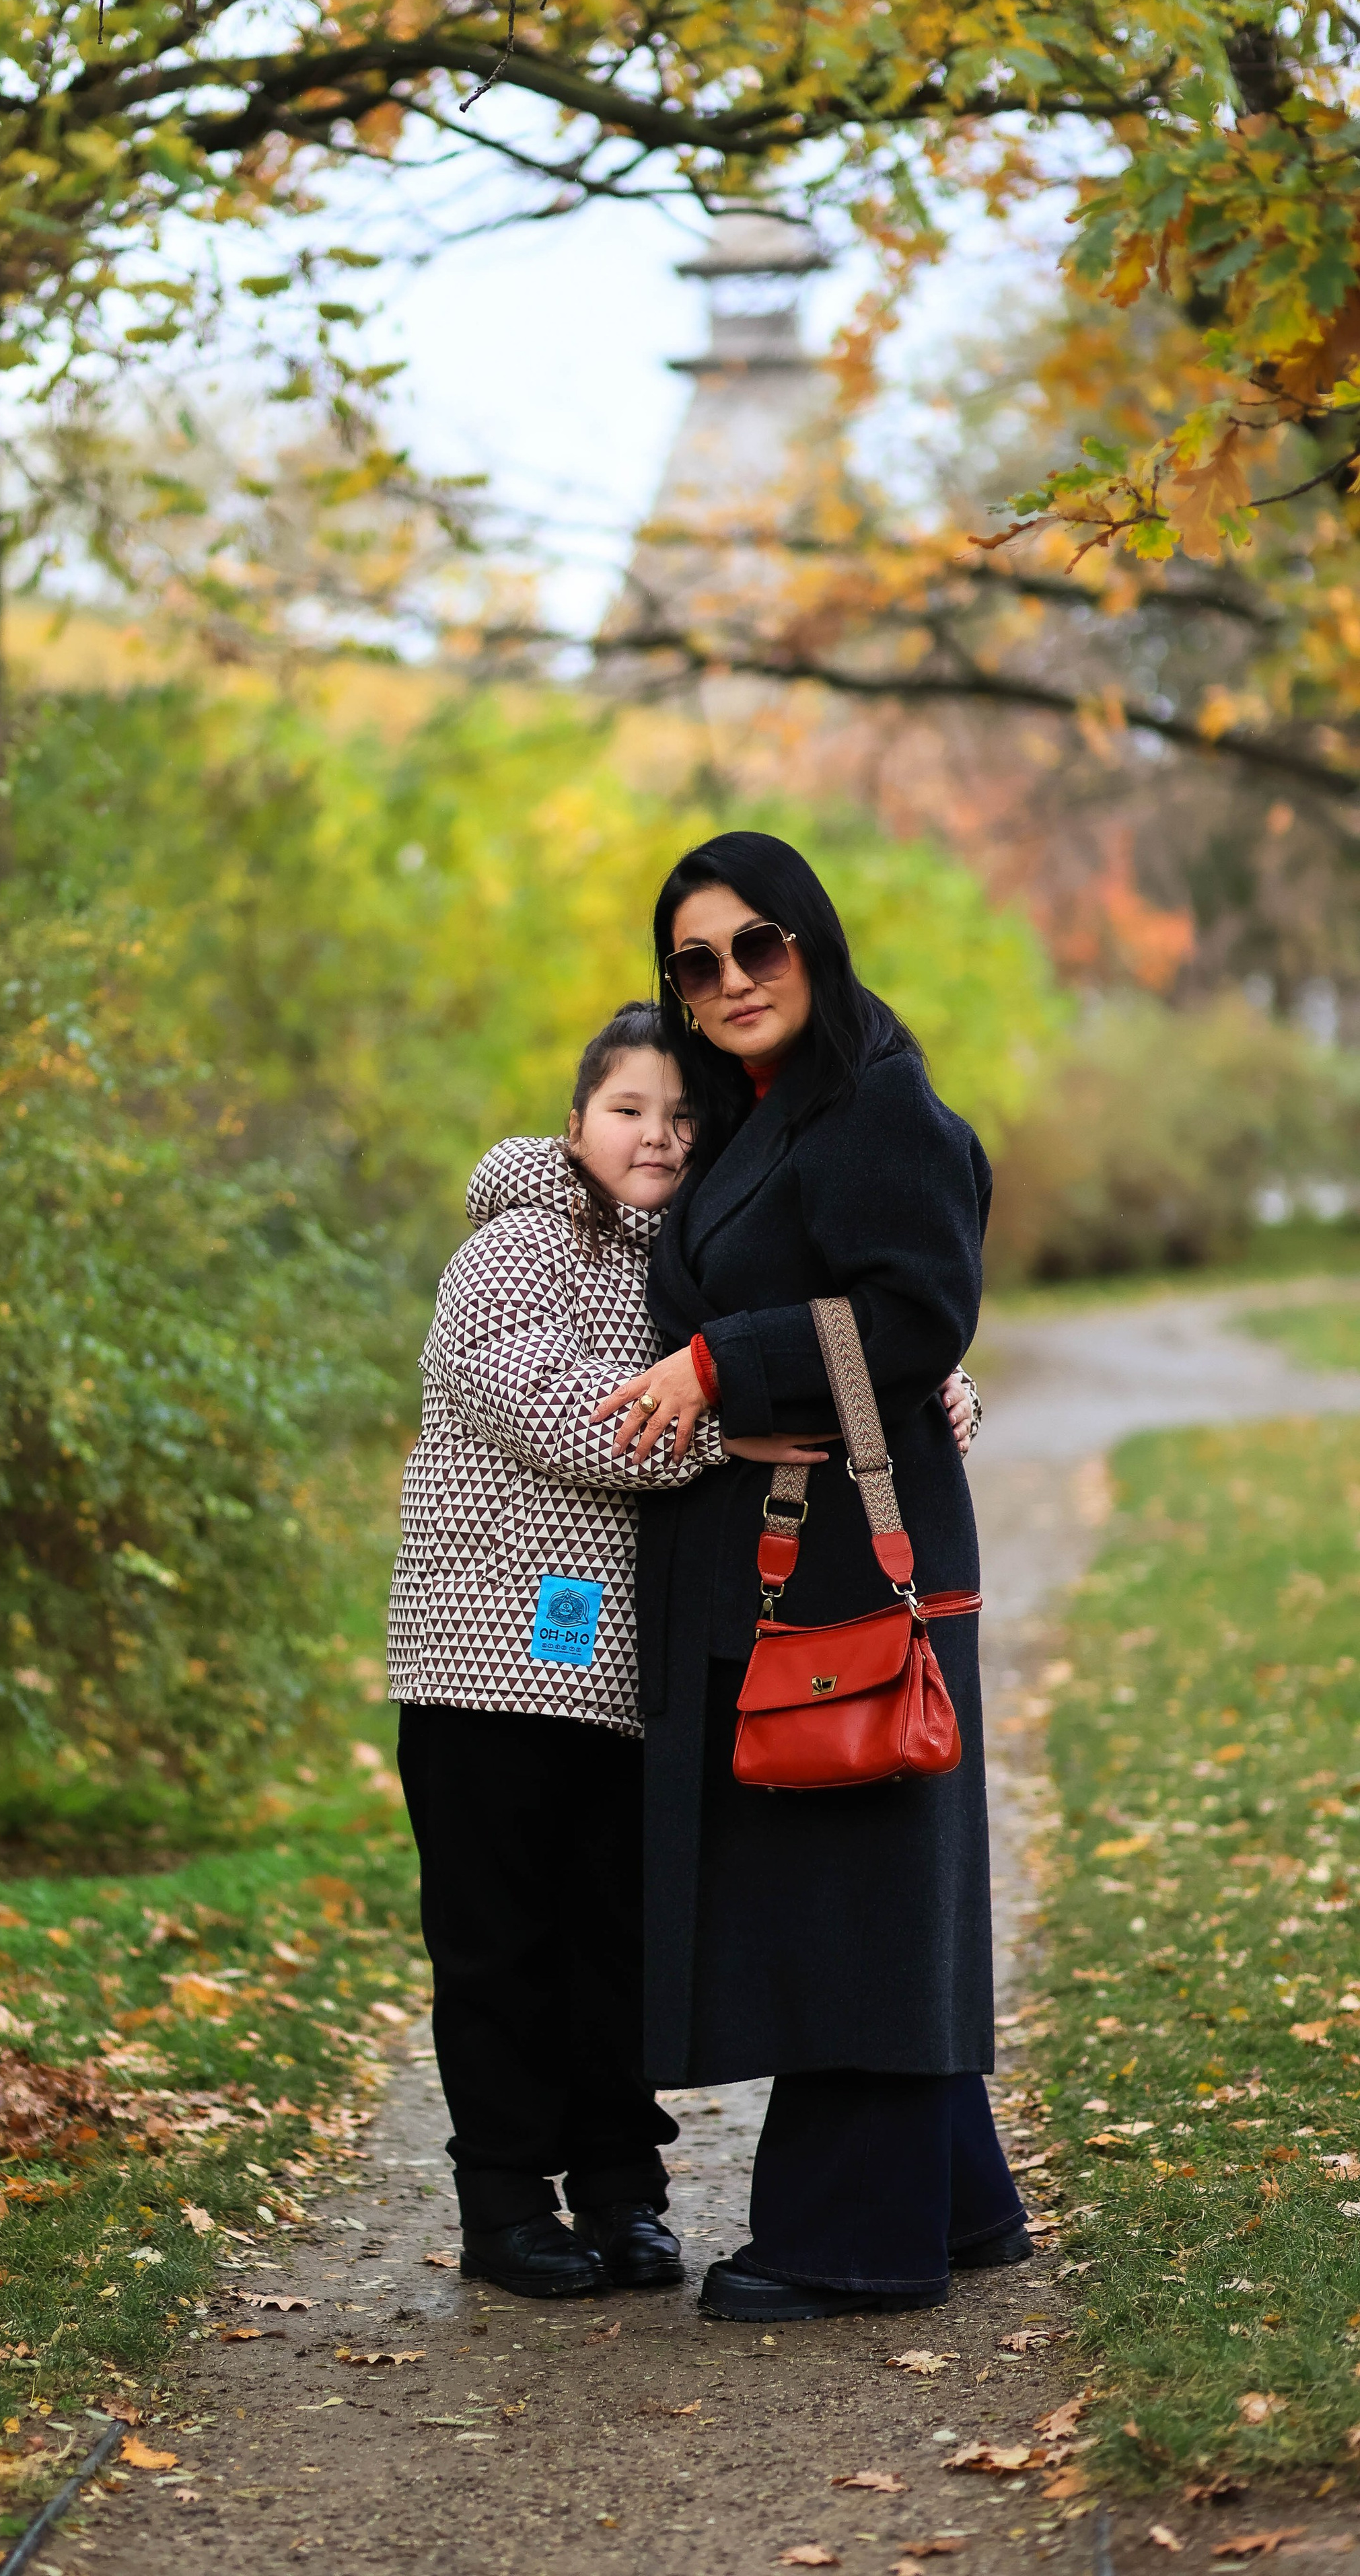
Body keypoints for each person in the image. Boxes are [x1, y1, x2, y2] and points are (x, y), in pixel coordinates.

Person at [387, 999, 975, 2300]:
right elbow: (571, 1422)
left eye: (683, 1115)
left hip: (626, 1684)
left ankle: (620, 2193)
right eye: (627, 1109)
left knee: (617, 1948)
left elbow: (854, 1331)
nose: (657, 1136)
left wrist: (935, 1397)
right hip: (486, 1670)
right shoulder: (511, 1255)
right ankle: (503, 2206)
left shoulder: (692, 1260)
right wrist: (729, 1429)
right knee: (498, 1949)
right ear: (577, 1120)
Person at [594, 830, 1024, 2324]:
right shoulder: (753, 1115)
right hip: (772, 1550)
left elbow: (914, 1313)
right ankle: (952, 2198)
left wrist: (723, 1357)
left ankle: (855, 2239)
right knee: (843, 1873)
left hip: (848, 1548)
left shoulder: (876, 1108)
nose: (727, 980)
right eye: (694, 962)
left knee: (856, 1877)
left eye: (755, 944)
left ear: (813, 943)